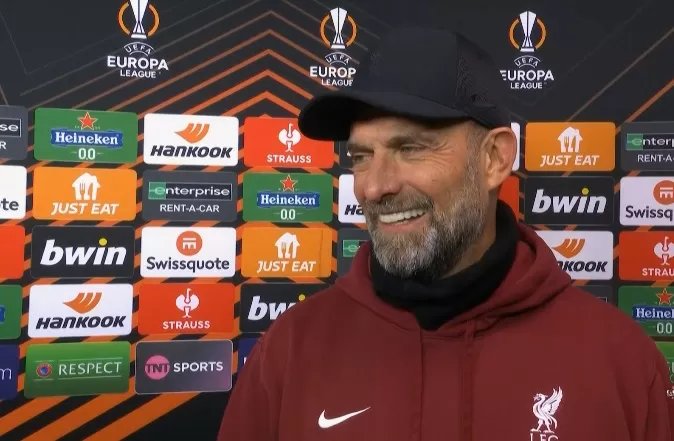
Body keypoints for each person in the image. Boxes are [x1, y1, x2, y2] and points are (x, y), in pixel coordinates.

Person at [218, 27, 674, 441]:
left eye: (410, 148)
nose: (374, 187)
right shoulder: (289, 352)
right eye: (361, 157)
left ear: (494, 159)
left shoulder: (620, 362)